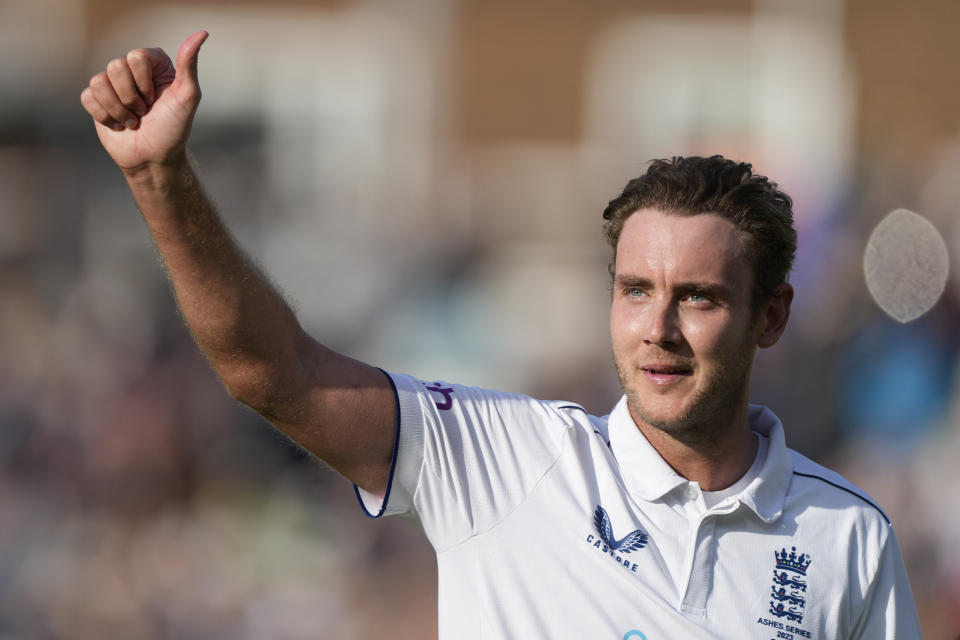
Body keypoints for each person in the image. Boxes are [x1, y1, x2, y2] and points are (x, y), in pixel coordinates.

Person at [81, 31, 921, 639]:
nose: (657, 329)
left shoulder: (846, 537)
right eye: (635, 291)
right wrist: (160, 178)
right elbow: (273, 371)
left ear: (771, 316)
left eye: (697, 297)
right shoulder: (506, 461)